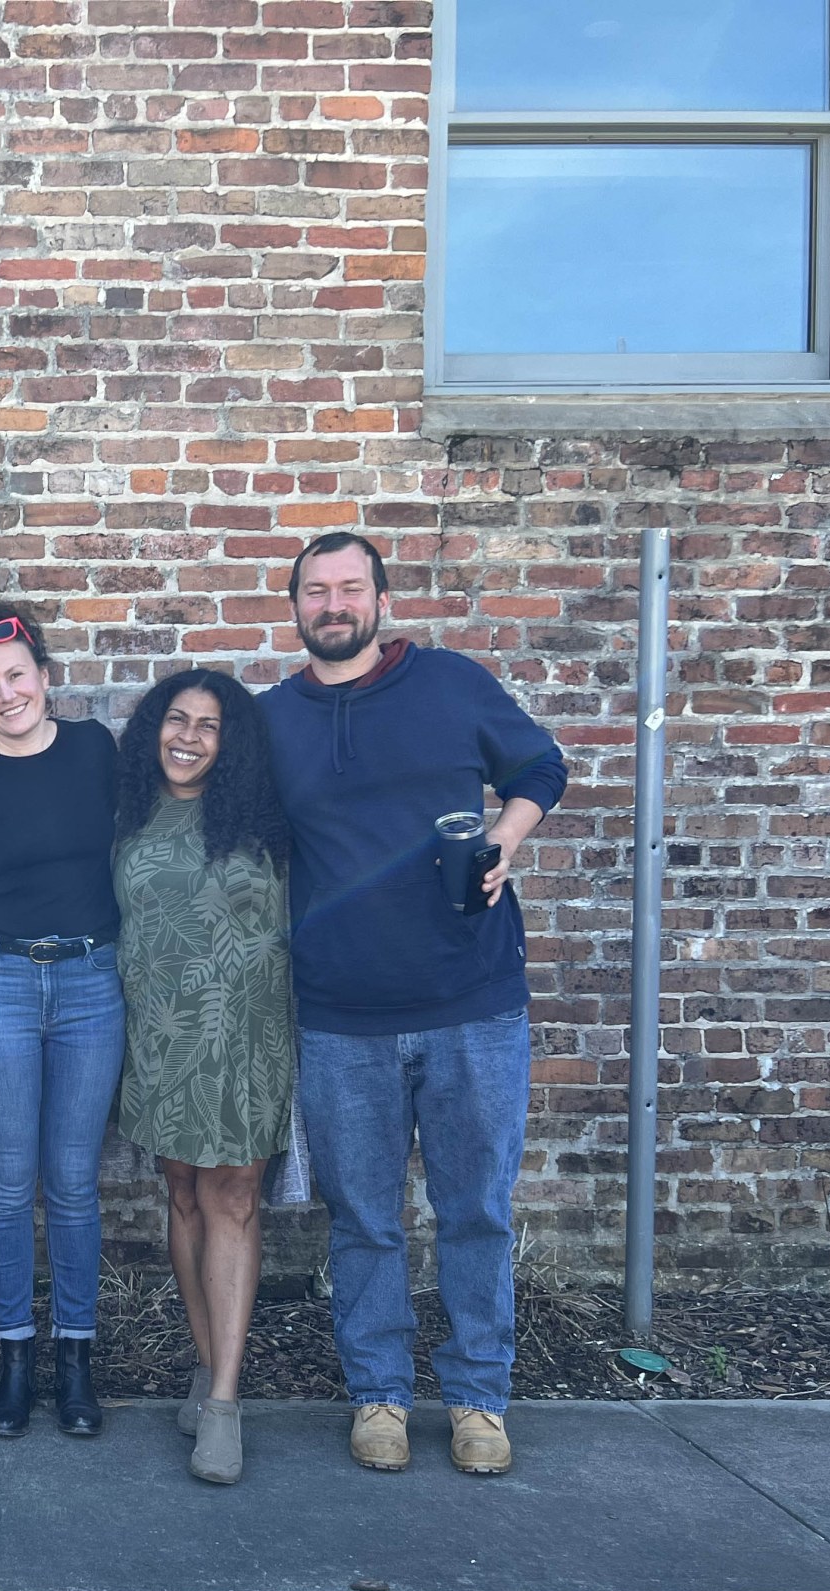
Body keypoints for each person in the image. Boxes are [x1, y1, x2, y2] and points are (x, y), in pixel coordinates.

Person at [257, 531, 567, 1478]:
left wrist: (509, 837)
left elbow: (539, 767)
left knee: (475, 1208)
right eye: (317, 590)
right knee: (362, 1220)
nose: (335, 603)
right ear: (297, 606)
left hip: (471, 1000)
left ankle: (478, 1399)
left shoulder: (451, 685)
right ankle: (378, 1394)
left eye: (351, 587)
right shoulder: (273, 720)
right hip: (340, 1015)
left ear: (382, 599)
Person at [0, 594, 124, 1439]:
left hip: (89, 983)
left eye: (16, 676)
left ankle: (75, 1361)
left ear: (44, 674)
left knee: (74, 1184)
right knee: (9, 1185)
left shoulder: (94, 750)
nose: (5, 695)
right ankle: (14, 1358)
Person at [112, 670, 294, 1485]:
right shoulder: (126, 810)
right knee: (183, 1194)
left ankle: (224, 1401)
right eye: (175, 720)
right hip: (160, 1034)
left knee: (234, 1198)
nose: (187, 736)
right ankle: (204, 1358)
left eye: (208, 726)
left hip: (247, 1036)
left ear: (233, 743)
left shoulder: (267, 820)